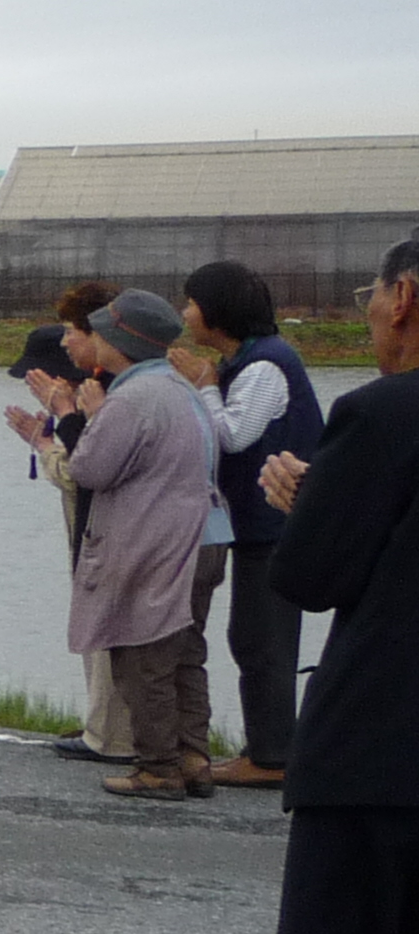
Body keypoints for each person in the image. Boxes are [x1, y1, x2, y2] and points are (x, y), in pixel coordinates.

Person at [218, 235, 419, 934]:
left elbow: (313, 575)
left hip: (382, 748)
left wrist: (311, 501)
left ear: (407, 297)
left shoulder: (384, 416)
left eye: (374, 294)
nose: (372, 312)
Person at [60, 287, 228, 801]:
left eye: (101, 331)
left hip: (160, 543)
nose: (95, 340)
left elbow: (90, 469)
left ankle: (158, 767)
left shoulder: (132, 398)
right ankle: (193, 758)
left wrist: (89, 418)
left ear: (120, 340)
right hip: (208, 536)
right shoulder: (181, 388)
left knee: (143, 654)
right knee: (186, 654)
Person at [169, 258, 325, 790]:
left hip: (276, 528)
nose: (185, 313)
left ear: (217, 312)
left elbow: (233, 436)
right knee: (253, 637)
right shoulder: (248, 360)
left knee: (263, 641)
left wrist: (204, 386)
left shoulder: (264, 366)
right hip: (263, 528)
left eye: (192, 303)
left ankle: (273, 756)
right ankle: (268, 745)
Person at [4, 281, 129, 761]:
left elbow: (81, 474)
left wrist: (44, 443)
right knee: (96, 629)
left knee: (107, 634)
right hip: (92, 538)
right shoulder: (91, 403)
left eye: (71, 333)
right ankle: (102, 724)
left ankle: (110, 735)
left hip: (104, 538)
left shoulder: (95, 404)